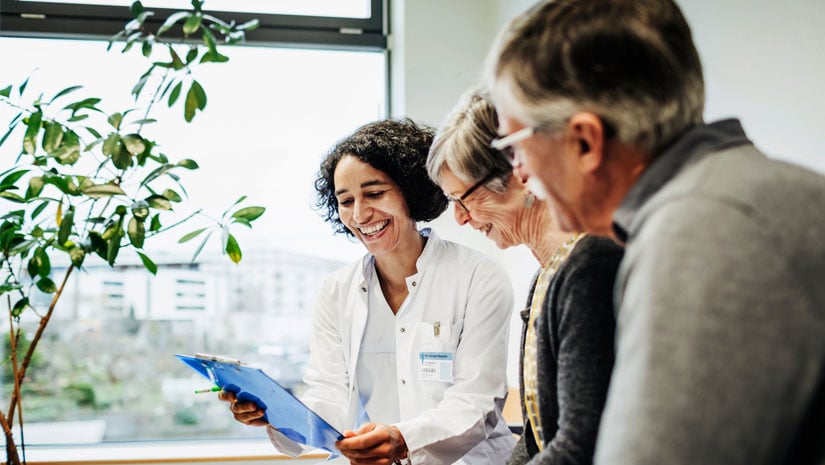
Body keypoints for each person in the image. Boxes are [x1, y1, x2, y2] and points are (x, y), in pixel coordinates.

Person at [485, 1, 825, 465]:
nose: (519, 171)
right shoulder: (739, 194)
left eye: (514, 147)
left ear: (585, 142)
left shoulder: (698, 232)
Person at [220, 118, 516, 465]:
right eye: (346, 201)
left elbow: (477, 402)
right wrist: (275, 414)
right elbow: (329, 394)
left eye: (374, 194)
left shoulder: (478, 277)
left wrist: (403, 440)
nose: (360, 214)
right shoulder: (336, 291)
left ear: (411, 191)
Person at [427, 87, 623, 465]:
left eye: (462, 199)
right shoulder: (544, 276)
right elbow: (536, 436)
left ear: (518, 170)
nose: (461, 218)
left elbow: (581, 444)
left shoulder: (591, 265)